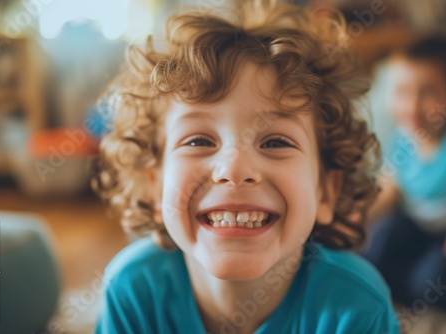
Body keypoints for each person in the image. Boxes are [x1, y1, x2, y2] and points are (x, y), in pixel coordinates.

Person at [92, 1, 399, 333]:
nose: (234, 168)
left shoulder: (357, 307)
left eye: (276, 142)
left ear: (326, 192)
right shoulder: (132, 292)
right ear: (155, 186)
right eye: (198, 141)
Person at [362, 36, 446, 316]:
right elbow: (390, 188)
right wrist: (357, 218)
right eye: (402, 92)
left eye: (428, 92)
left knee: (430, 281)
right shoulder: (404, 138)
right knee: (376, 249)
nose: (412, 106)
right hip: (413, 224)